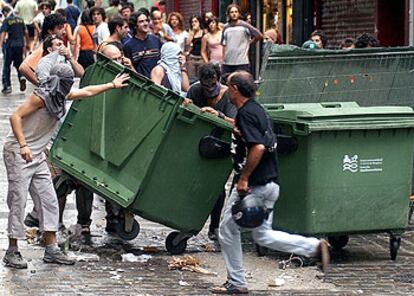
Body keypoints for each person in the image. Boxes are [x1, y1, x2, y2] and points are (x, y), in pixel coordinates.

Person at [211, 71, 330, 294]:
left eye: (228, 86)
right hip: (270, 184)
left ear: (235, 89)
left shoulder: (246, 113)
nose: (226, 90)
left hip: (254, 186)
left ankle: (237, 283)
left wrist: (244, 178)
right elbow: (252, 135)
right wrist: (227, 122)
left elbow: (258, 146)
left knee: (227, 230)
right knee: (263, 235)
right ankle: (314, 247)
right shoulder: (256, 110)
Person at [3, 63, 129, 269]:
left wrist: (112, 85)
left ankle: (51, 248)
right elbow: (14, 116)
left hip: (37, 155)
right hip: (19, 152)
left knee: (49, 200)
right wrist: (24, 145)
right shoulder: (41, 97)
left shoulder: (60, 96)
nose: (69, 86)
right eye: (67, 82)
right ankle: (12, 250)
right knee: (18, 201)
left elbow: (87, 91)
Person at [186, 63, 236, 240]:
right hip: (197, 143)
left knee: (217, 188)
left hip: (220, 145)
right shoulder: (195, 91)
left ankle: (214, 226)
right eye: (205, 85)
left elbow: (235, 124)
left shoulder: (228, 96)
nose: (209, 89)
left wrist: (217, 115)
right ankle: (189, 223)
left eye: (212, 84)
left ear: (218, 79)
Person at [19, 13, 67, 86]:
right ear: (50, 31)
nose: (64, 32)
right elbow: (23, 68)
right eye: (60, 28)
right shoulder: (43, 48)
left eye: (63, 28)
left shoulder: (56, 45)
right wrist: (42, 85)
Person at [221, 4, 262, 76]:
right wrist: (223, 59)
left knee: (242, 83)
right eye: (232, 12)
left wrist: (250, 42)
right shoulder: (226, 27)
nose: (234, 14)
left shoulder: (244, 25)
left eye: (236, 12)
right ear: (228, 14)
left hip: (242, 62)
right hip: (228, 62)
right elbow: (223, 43)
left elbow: (259, 35)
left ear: (239, 13)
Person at [123, 10, 162, 78]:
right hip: (141, 85)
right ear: (135, 25)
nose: (145, 23)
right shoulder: (128, 46)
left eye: (146, 20)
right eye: (141, 21)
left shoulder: (156, 40)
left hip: (158, 84)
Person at [0, 5, 28, 94]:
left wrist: (0, 45)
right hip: (20, 45)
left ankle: (7, 86)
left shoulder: (7, 20)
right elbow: (26, 32)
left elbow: (3, 33)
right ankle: (22, 77)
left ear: (5, 13)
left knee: (7, 66)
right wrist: (26, 44)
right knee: (19, 64)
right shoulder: (20, 19)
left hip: (10, 45)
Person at [186, 15, 204, 83]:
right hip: (192, 58)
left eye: (195, 21)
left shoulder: (204, 32)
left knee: (201, 77)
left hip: (201, 58)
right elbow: (188, 43)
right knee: (191, 78)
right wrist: (192, 33)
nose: (194, 23)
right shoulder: (191, 33)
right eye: (192, 22)